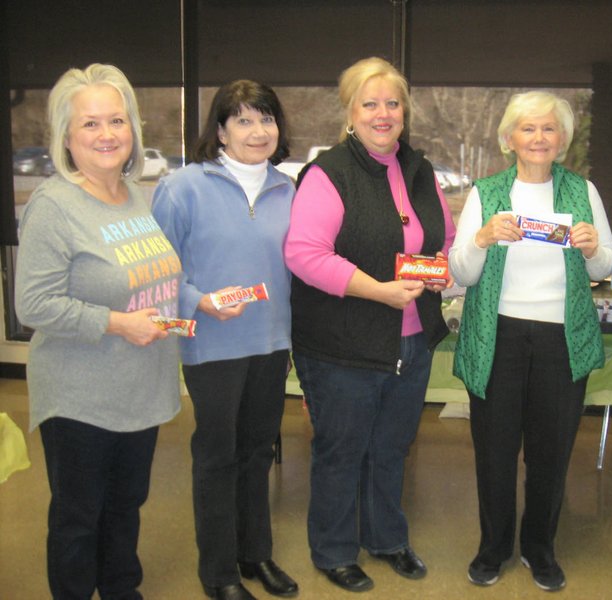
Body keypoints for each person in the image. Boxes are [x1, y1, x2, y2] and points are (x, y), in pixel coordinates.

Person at [284, 56, 456, 593]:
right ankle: (334, 551)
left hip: (411, 337)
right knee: (342, 449)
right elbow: (304, 253)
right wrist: (377, 290)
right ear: (350, 111)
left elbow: (442, 239)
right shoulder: (328, 173)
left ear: (404, 110)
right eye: (370, 103)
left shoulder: (420, 170)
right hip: (342, 343)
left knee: (391, 446)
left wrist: (437, 274)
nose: (383, 114)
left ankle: (387, 539)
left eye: (393, 103)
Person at [14, 63, 181, 600]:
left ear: (133, 129)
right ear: (66, 135)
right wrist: (116, 323)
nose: (106, 134)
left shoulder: (138, 196)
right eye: (90, 124)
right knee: (78, 518)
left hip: (139, 388)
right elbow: (33, 304)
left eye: (117, 120)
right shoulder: (54, 206)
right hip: (80, 396)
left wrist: (201, 304)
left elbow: (154, 281)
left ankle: (119, 589)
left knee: (126, 505)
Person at [449, 91, 612, 592]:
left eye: (549, 128)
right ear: (510, 138)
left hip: (560, 339)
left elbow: (607, 266)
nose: (539, 137)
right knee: (494, 451)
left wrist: (593, 249)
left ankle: (540, 548)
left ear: (562, 139)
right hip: (497, 334)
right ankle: (494, 548)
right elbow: (459, 271)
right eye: (528, 128)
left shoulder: (583, 191)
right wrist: (480, 239)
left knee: (551, 452)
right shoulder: (485, 193)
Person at [151, 81, 298, 600]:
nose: (258, 131)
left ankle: (255, 554)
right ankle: (219, 572)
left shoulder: (289, 189)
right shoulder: (182, 188)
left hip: (271, 343)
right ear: (219, 130)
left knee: (258, 452)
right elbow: (156, 273)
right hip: (211, 342)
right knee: (217, 456)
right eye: (243, 120)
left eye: (266, 119)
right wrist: (199, 301)